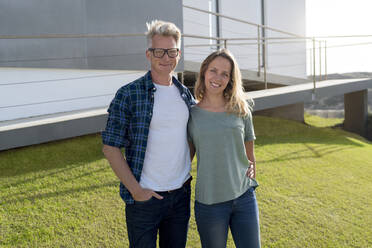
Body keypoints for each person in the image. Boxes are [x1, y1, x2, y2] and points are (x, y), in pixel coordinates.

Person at [102, 20, 195, 248]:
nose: (165, 58)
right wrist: (136, 190)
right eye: (158, 51)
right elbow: (110, 147)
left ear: (178, 54)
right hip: (145, 199)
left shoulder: (186, 96)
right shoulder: (129, 94)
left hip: (180, 196)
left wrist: (181, 169)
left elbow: (191, 139)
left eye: (171, 51)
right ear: (148, 54)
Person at [188, 49, 260, 248]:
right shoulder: (192, 114)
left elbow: (249, 153)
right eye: (213, 70)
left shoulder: (242, 110)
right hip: (210, 203)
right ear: (204, 72)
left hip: (244, 198)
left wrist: (251, 171)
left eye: (225, 74)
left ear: (230, 79)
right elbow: (185, 157)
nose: (217, 78)